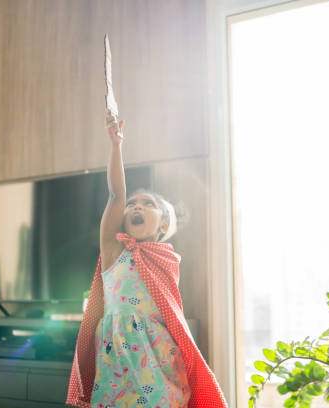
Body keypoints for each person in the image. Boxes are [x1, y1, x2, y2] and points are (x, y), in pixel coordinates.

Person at [66, 110, 228, 408]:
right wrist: (116, 147)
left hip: (160, 359)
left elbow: (171, 315)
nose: (136, 207)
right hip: (118, 360)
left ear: (164, 226)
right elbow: (116, 194)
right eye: (132, 205)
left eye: (148, 204)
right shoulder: (114, 251)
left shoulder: (167, 259)